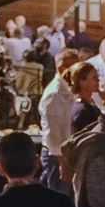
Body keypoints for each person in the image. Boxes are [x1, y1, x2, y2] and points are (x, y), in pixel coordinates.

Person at [37, 56, 91, 196]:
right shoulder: (54, 94)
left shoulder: (66, 89)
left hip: (65, 153)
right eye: (74, 66)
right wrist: (62, 163)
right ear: (61, 68)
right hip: (56, 155)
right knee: (58, 197)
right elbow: (53, 133)